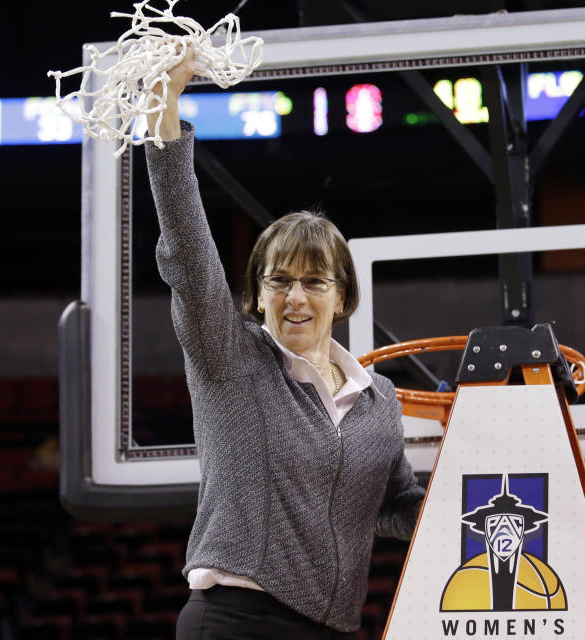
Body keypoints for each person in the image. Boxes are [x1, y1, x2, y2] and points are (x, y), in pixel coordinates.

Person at [144, 49, 425, 639]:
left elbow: (394, 509)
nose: (295, 296)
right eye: (279, 280)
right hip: (236, 621)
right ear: (257, 295)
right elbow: (189, 258)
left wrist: (467, 489)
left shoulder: (381, 401)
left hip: (337, 627)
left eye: (314, 281)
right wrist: (164, 117)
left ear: (343, 297)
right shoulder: (231, 360)